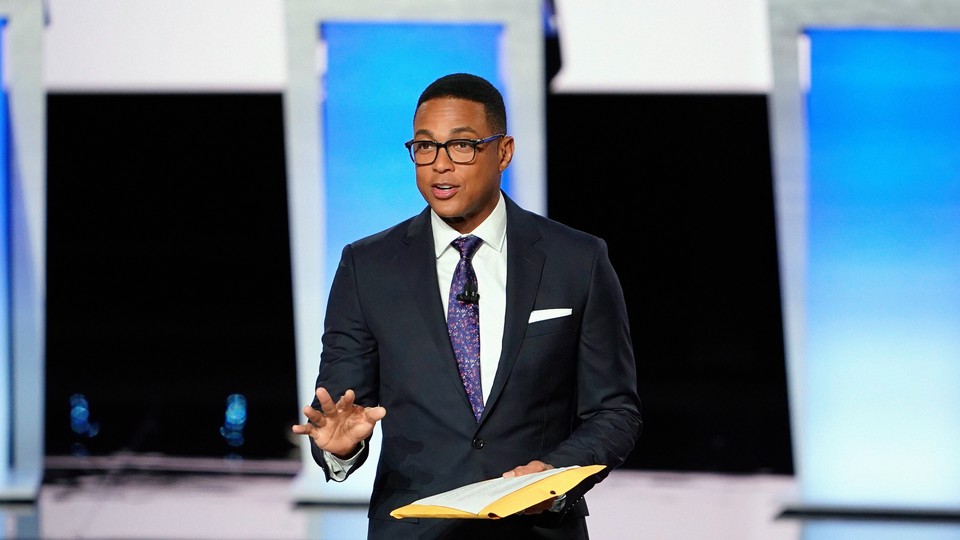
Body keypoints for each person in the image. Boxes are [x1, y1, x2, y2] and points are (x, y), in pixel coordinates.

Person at [292, 72, 641, 539]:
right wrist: (339, 449)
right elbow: (340, 409)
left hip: (537, 528)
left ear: (504, 152)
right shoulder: (367, 267)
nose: (440, 165)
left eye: (462, 146)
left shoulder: (577, 260)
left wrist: (552, 476)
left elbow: (615, 412)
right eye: (425, 147)